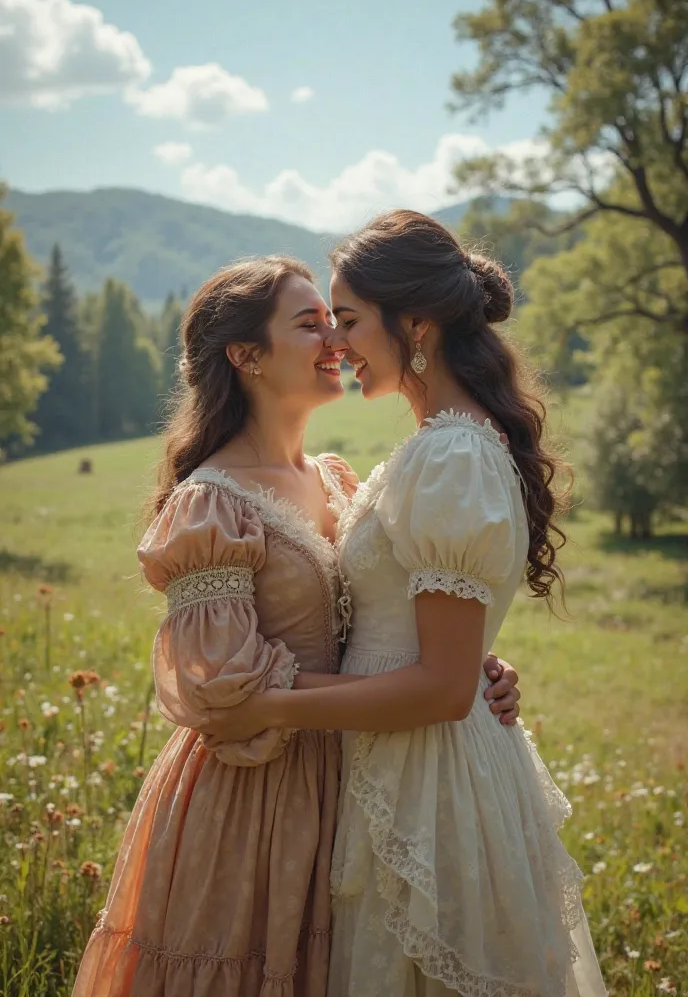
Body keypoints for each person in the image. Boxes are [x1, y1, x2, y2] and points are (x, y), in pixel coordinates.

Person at [72, 254, 521, 997]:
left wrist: (470, 665)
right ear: (245, 356)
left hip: (356, 777)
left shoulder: (336, 476)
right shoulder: (209, 504)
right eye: (310, 324)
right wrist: (425, 685)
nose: (336, 343)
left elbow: (387, 618)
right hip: (255, 795)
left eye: (338, 322)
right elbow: (224, 688)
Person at [220, 212, 607, 997]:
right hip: (399, 761)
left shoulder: (452, 454)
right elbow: (428, 641)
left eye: (351, 320)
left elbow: (437, 685)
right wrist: (473, 665)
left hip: (428, 781)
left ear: (418, 323)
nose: (337, 344)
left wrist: (268, 700)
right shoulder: (442, 445)